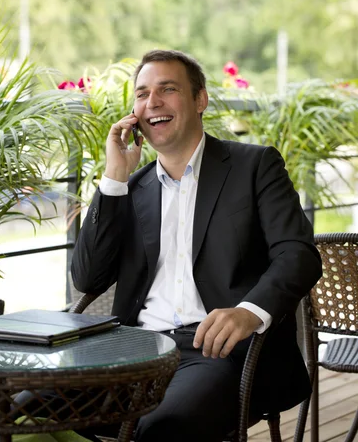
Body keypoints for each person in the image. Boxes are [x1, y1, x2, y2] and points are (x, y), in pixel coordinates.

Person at [71, 49, 322, 442]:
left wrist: (249, 311)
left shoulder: (254, 166)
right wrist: (114, 177)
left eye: (167, 89)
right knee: (27, 404)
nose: (151, 102)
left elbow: (298, 254)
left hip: (219, 352)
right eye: (141, 94)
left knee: (163, 429)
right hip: (135, 351)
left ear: (199, 100)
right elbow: (88, 276)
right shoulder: (129, 189)